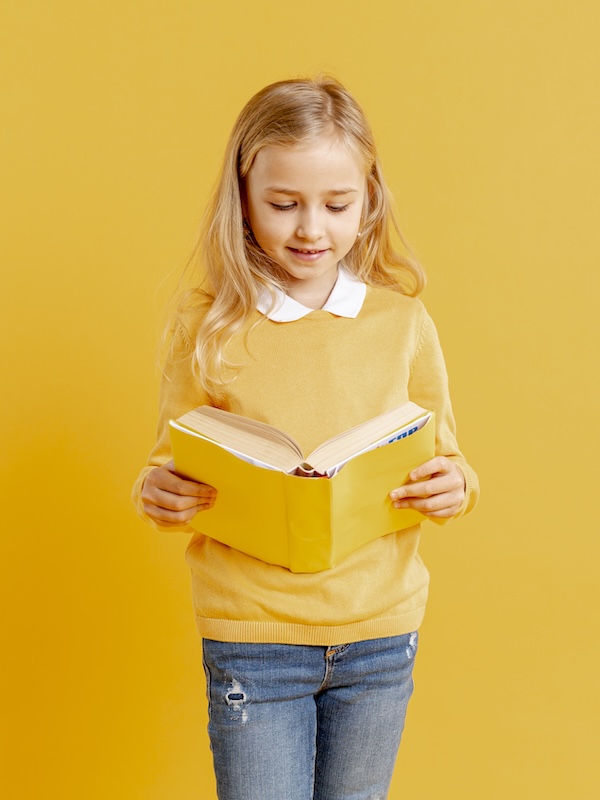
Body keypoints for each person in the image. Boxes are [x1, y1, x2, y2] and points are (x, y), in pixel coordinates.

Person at [132, 76, 479, 800]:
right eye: (283, 205)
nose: (310, 229)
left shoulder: (400, 322)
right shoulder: (205, 326)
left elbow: (443, 457)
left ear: (370, 200)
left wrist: (457, 486)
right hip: (253, 642)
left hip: (379, 636)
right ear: (244, 198)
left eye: (337, 204)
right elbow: (171, 463)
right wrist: (157, 490)